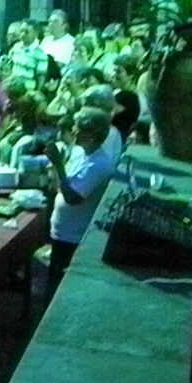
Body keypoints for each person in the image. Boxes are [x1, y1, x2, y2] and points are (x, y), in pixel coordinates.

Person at [42, 107, 116, 299]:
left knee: (60, 292)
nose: (73, 131)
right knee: (52, 283)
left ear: (92, 133)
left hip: (74, 239)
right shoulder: (77, 152)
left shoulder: (99, 164)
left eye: (77, 127)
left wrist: (58, 164)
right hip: (60, 233)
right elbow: (61, 184)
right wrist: (55, 169)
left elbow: (73, 198)